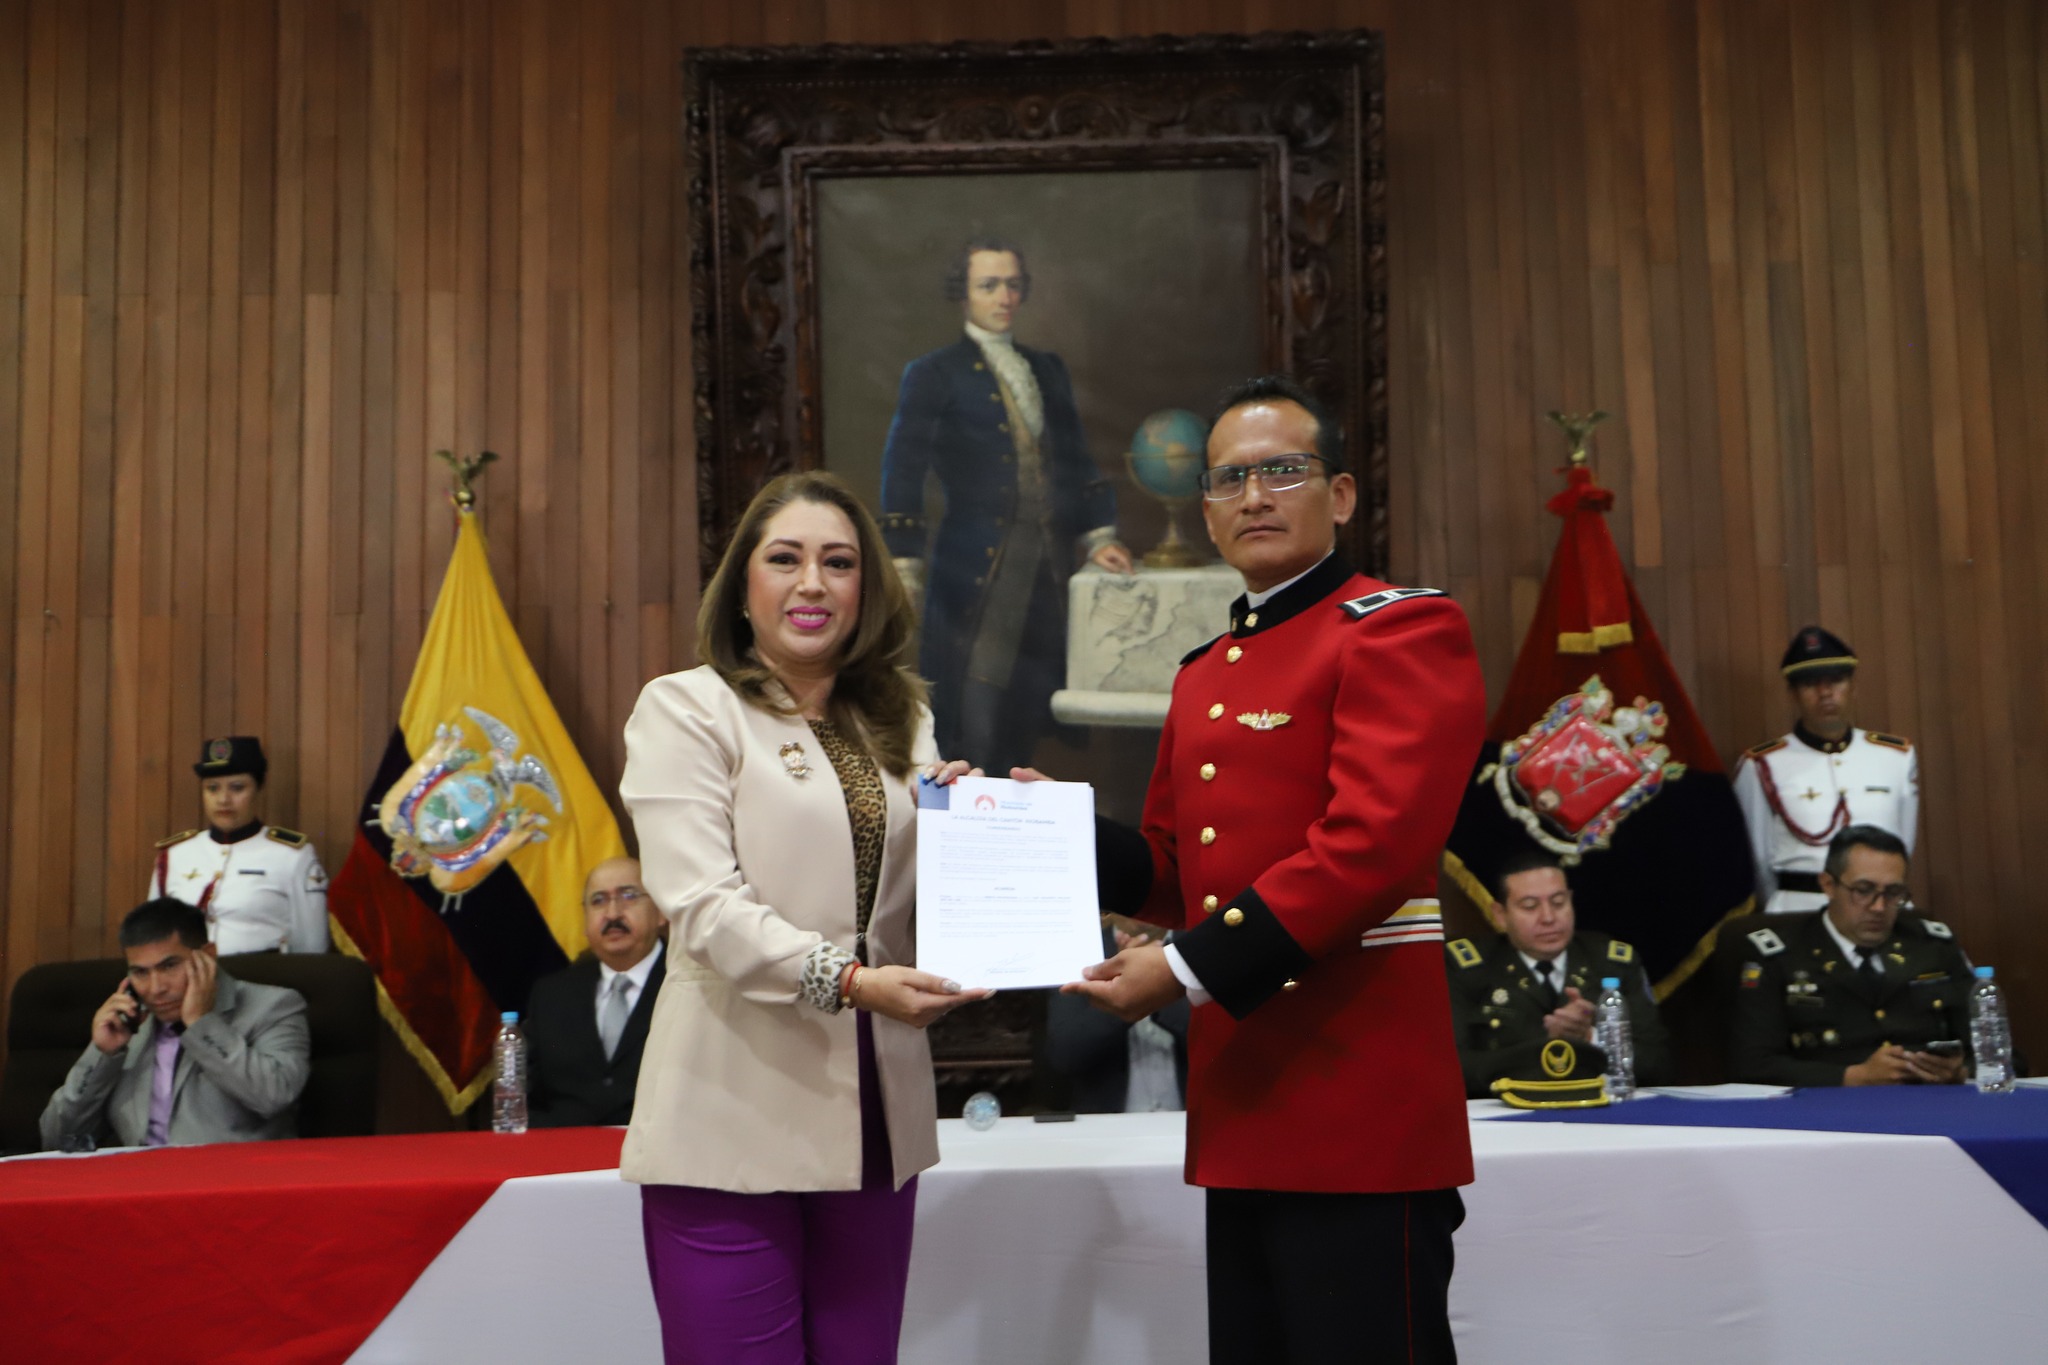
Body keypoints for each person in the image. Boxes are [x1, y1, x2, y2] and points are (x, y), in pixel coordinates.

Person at [1058, 375, 1484, 1364]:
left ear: (1339, 495)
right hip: (1245, 1101)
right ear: (1206, 510)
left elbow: (1372, 844)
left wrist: (1181, 969)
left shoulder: (1398, 628)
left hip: (1356, 1102)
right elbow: (1177, 875)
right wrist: (1049, 826)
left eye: (1281, 471)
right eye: (1228, 479)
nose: (1253, 496)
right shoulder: (1205, 672)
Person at [618, 470, 991, 1364]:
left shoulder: (903, 717)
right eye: (785, 559)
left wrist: (970, 828)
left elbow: (916, 899)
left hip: (878, 1115)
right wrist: (851, 982)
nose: (813, 583)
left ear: (868, 588)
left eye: (839, 562)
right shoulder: (687, 707)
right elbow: (702, 906)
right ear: (743, 585)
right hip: (728, 1110)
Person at [878, 235, 1132, 775]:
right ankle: (972, 811)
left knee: (1028, 699)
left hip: (1045, 566)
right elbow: (903, 467)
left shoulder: (1046, 368)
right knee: (974, 703)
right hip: (971, 568)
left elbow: (1075, 457)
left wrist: (1099, 537)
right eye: (989, 285)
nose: (1004, 297)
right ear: (963, 293)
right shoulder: (935, 373)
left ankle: (1017, 809)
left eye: (1013, 285)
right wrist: (905, 562)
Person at [40, 898, 311, 1149]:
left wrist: (201, 1024)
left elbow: (274, 1097)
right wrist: (103, 1054)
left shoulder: (273, 1007)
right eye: (140, 972)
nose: (155, 988)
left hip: (230, 1178)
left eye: (169, 966)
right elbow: (58, 1137)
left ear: (208, 955)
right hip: (138, 1178)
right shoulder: (130, 1026)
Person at [1729, 825, 1972, 1087]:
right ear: (1828, 885)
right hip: (1826, 1105)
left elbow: (1992, 1048)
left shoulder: (1932, 946)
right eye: (1863, 890)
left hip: (1928, 1098)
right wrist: (1854, 1076)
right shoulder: (1779, 956)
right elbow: (1753, 1065)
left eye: (1893, 893)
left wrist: (1961, 1072)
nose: (1879, 907)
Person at [1445, 847, 1675, 1097]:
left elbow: (1658, 1064)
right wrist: (1548, 1046)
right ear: (1501, 915)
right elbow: (1453, 1068)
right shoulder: (1468, 969)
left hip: (1598, 1109)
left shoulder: (1612, 963)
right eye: (1530, 906)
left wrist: (1591, 1037)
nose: (1548, 917)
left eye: (1558, 902)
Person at [1733, 627, 1919, 914]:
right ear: (1793, 694)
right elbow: (1758, 859)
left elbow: (1903, 843)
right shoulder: (1762, 764)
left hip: (1881, 908)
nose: (1825, 693)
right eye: (1810, 684)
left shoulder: (1895, 756)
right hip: (1799, 910)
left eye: (1836, 681)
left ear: (1853, 687)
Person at [150, 736, 331, 953]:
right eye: (212, 788)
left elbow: (312, 946)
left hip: (260, 972)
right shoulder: (175, 855)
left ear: (258, 789)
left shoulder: (292, 855)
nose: (223, 799)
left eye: (237, 788)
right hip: (187, 972)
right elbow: (152, 937)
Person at [523, 857, 666, 1129]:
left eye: (628, 896)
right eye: (598, 901)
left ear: (661, 911)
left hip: (660, 1149)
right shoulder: (551, 995)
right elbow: (527, 1100)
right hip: (566, 1150)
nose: (612, 914)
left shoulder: (689, 986)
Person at [1041, 923, 1189, 1114]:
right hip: (1107, 1125)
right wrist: (1121, 990)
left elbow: (1218, 1044)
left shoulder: (1202, 942)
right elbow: (1065, 1055)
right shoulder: (1079, 948)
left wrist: (1162, 981)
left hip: (1192, 1121)